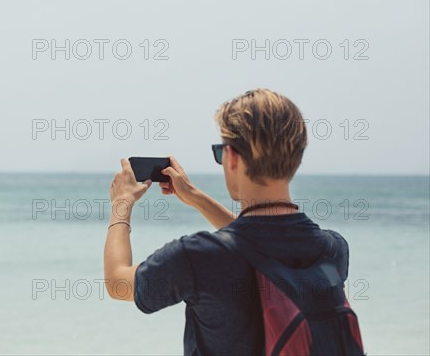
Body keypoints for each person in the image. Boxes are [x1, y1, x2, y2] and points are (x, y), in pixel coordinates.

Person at [103, 88, 350, 355]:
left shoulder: (196, 257)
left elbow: (118, 282)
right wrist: (195, 197)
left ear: (231, 157)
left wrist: (121, 205)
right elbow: (262, 241)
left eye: (220, 152)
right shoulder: (332, 250)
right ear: (298, 157)